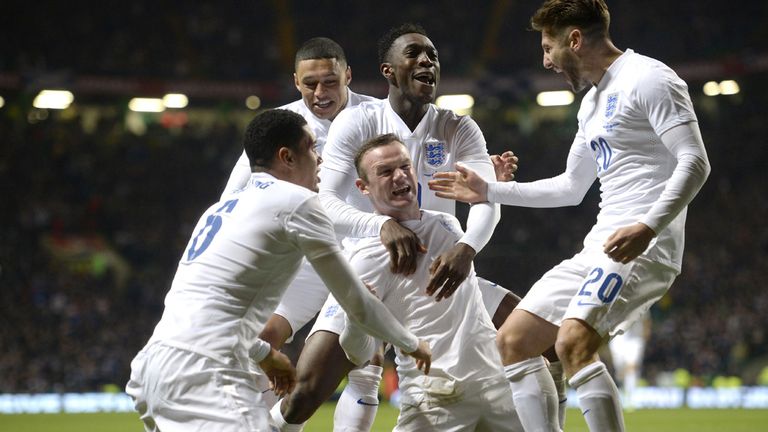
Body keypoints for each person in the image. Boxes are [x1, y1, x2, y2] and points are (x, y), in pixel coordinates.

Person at [428, 1, 711, 430]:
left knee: (573, 343)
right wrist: (489, 190)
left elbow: (695, 161)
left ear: (574, 40)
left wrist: (649, 226)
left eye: (548, 47)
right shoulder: (591, 103)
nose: (546, 61)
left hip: (643, 244)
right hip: (600, 244)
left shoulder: (650, 78)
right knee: (514, 340)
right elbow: (569, 187)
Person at [270, 23, 550, 431]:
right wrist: (381, 226)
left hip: (442, 263)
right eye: (415, 54)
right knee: (309, 389)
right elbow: (325, 202)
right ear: (389, 71)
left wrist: (467, 249)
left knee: (539, 336)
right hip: (372, 266)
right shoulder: (359, 121)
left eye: (432, 56)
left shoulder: (458, 127)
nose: (426, 62)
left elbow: (484, 198)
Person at [125, 109, 431, 432]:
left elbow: (208, 311)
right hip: (208, 375)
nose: (320, 160)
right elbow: (356, 302)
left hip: (153, 368)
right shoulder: (297, 202)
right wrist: (412, 344)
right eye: (312, 148)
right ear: (286, 156)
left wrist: (263, 353)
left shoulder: (219, 210)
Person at [220, 37, 380, 407]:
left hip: (364, 256)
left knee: (358, 361)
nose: (320, 92)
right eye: (310, 84)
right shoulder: (280, 126)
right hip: (304, 257)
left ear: (349, 76)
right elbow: (233, 198)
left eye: (330, 81)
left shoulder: (378, 117)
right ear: (296, 81)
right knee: (264, 338)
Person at [338, 134, 521, 430]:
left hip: (496, 385)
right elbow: (357, 353)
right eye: (384, 172)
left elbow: (482, 223)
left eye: (405, 166)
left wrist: (492, 188)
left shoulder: (444, 222)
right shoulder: (368, 256)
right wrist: (354, 318)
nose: (399, 176)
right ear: (363, 187)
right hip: (437, 400)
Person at [607, 310, 651, 410]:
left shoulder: (642, 300)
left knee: (632, 367)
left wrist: (645, 337)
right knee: (620, 371)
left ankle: (631, 400)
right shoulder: (615, 302)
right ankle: (623, 393)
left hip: (636, 340)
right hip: (618, 339)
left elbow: (646, 320)